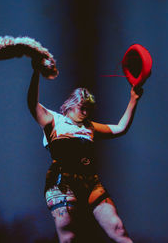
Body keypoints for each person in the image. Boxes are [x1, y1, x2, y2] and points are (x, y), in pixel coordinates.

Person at [27, 60, 142, 243]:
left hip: (91, 183)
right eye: (83, 107)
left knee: (118, 228)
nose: (86, 112)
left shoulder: (90, 127)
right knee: (69, 236)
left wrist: (133, 99)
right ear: (72, 104)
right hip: (61, 182)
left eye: (89, 109)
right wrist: (36, 73)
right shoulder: (53, 120)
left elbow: (120, 128)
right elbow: (32, 102)